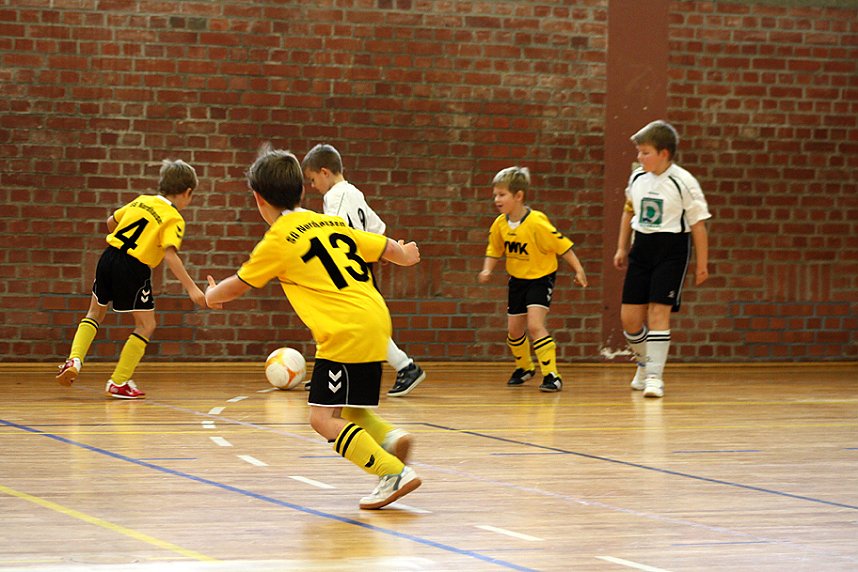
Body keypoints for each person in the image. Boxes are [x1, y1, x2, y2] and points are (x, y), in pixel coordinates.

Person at [205, 146, 422, 510]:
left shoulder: (278, 239)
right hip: (375, 318)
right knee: (346, 407)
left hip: (344, 331)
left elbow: (239, 283)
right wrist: (406, 255)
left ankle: (392, 472)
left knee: (321, 418)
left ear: (258, 199)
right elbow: (384, 247)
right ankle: (389, 437)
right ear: (301, 192)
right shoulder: (329, 222)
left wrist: (212, 295)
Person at [56, 159, 207, 398]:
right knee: (147, 325)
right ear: (187, 192)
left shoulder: (142, 200)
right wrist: (192, 288)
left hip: (108, 257)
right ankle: (119, 381)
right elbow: (170, 255)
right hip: (133, 267)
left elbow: (110, 223)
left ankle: (74, 360)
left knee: (95, 312)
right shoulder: (174, 218)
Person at [301, 143, 426, 397]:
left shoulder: (335, 196)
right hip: (359, 265)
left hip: (345, 269)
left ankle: (406, 367)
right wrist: (387, 251)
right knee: (353, 324)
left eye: (313, 179)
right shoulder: (355, 193)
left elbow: (333, 230)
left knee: (348, 323)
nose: (313, 186)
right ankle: (331, 373)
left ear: (325, 172)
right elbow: (377, 229)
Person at [612, 120, 711, 398]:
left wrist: (702, 265)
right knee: (629, 319)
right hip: (641, 248)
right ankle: (644, 362)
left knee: (658, 312)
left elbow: (698, 225)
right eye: (638, 152)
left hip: (671, 251)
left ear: (664, 153)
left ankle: (655, 376)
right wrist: (622, 248)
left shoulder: (683, 182)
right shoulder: (637, 178)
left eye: (645, 152)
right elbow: (628, 212)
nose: (639, 157)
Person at [478, 166, 588, 392]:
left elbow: (562, 246)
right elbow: (494, 249)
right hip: (517, 280)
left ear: (518, 196)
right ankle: (525, 367)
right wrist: (487, 270)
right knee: (514, 331)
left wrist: (578, 270)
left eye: (502, 195)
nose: (497, 199)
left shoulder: (537, 222)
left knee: (535, 326)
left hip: (541, 278)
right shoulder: (500, 224)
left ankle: (552, 375)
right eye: (495, 195)